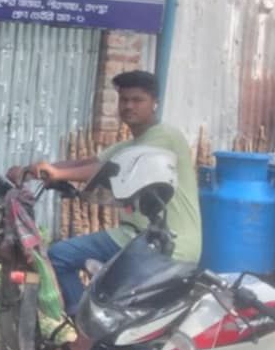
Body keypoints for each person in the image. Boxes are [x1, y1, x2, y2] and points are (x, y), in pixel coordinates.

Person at [14, 69, 202, 321]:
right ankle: (91, 327)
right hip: (137, 237)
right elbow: (89, 162)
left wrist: (57, 174)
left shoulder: (164, 136)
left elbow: (113, 169)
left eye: (137, 100)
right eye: (124, 100)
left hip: (165, 241)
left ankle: (86, 328)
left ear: (155, 103)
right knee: (75, 266)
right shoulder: (130, 144)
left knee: (59, 257)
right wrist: (32, 171)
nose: (128, 106)